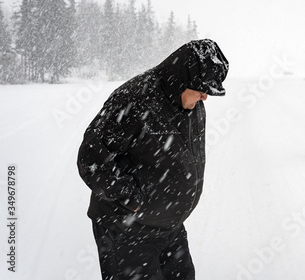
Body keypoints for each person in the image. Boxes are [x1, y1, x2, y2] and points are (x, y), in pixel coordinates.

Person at [77, 39, 229, 279]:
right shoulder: (134, 100)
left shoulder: (193, 103)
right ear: (182, 79)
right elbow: (91, 159)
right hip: (128, 230)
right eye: (201, 90)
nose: (205, 98)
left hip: (169, 227)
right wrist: (131, 197)